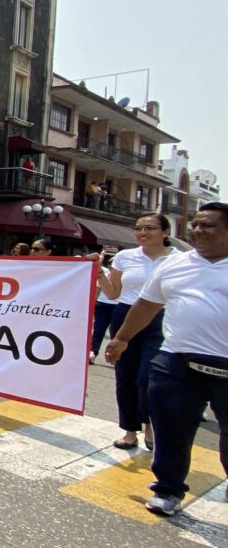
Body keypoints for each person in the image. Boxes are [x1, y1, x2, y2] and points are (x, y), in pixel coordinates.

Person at [103, 203, 228, 517]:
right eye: (195, 224)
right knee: (171, 428)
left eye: (208, 226)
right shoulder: (174, 265)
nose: (198, 231)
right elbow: (145, 305)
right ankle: (168, 490)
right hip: (176, 360)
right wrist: (121, 338)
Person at [91, 214, 175, 452]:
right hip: (125, 316)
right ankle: (129, 430)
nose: (142, 233)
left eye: (150, 228)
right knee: (125, 375)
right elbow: (113, 293)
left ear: (165, 232)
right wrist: (98, 273)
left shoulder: (180, 260)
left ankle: (149, 424)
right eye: (138, 228)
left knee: (148, 376)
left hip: (162, 318)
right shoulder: (125, 257)